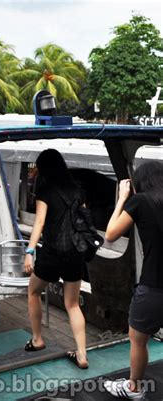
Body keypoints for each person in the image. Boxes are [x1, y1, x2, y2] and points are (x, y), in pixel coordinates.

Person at [24, 149, 89, 369]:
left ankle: (37, 339)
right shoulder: (77, 189)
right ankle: (81, 354)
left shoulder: (45, 190)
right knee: (72, 304)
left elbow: (40, 222)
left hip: (52, 251)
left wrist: (30, 251)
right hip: (75, 252)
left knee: (33, 291)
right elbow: (81, 220)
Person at [104, 161, 163, 400]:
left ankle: (134, 388)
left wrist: (122, 198)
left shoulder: (140, 201)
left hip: (153, 286)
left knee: (138, 339)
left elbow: (110, 234)